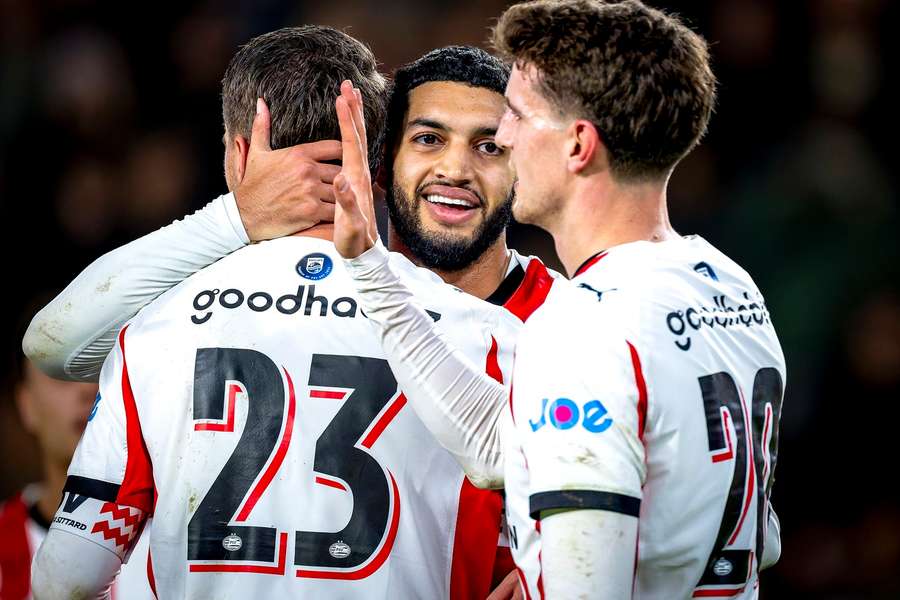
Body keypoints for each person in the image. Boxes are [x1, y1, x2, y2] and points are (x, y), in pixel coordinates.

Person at [29, 28, 534, 599]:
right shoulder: (492, 339)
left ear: (236, 152)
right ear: (377, 161)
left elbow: (63, 579)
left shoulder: (152, 328)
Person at [331, 0, 787, 598]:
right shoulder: (727, 285)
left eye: (517, 116)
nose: (505, 136)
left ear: (577, 146)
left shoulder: (583, 328)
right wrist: (371, 268)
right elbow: (505, 446)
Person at [0, 350, 152, 599]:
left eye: (103, 369)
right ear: (26, 405)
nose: (88, 389)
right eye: (61, 374)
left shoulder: (185, 537)